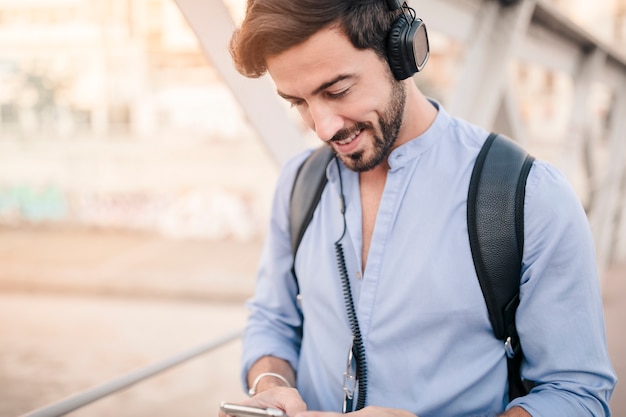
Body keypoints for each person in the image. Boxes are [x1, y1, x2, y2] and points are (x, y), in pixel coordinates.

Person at [223, 0, 617, 416]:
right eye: (297, 102)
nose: (322, 127)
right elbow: (272, 320)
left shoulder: (532, 197)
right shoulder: (297, 182)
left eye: (337, 90)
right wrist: (272, 384)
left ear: (402, 52)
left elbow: (576, 395)